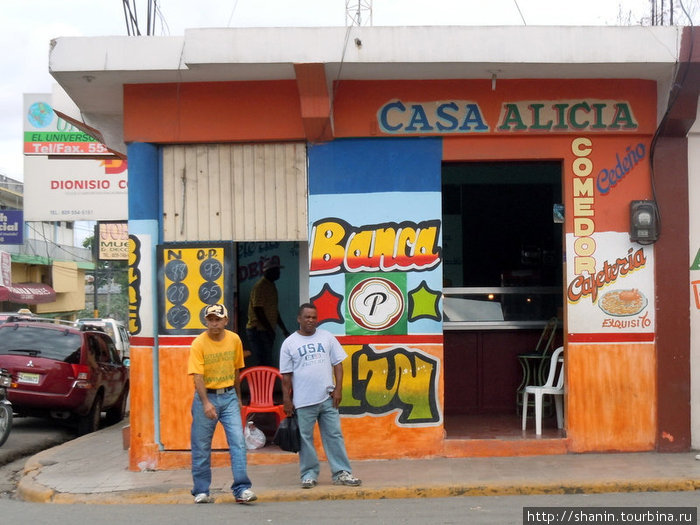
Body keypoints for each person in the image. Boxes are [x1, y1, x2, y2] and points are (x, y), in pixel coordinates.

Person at [279, 303, 361, 489]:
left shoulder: (327, 337)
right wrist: (287, 400)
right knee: (305, 439)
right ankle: (309, 474)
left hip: (327, 398)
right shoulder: (289, 343)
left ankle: (341, 473)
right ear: (299, 319)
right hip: (303, 401)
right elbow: (286, 375)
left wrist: (338, 389)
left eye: (314, 317)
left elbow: (338, 365)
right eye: (307, 317)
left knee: (334, 435)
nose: (311, 320)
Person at [187, 303, 257, 504]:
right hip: (205, 398)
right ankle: (201, 490)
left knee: (238, 443)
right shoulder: (198, 343)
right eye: (210, 319)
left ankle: (242, 489)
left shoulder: (234, 339)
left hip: (229, 397)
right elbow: (197, 377)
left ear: (226, 321)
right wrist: (206, 402)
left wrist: (239, 399)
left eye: (218, 319)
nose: (214, 323)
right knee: (201, 446)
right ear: (206, 321)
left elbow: (236, 370)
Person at [246, 259, 290, 368]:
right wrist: (269, 329)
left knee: (267, 360)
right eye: (276, 270)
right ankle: (260, 384)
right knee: (262, 360)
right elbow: (258, 310)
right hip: (257, 330)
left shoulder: (271, 286)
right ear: (268, 271)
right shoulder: (260, 286)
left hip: (266, 330)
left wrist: (283, 329)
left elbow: (274, 311)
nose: (278, 273)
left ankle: (267, 383)